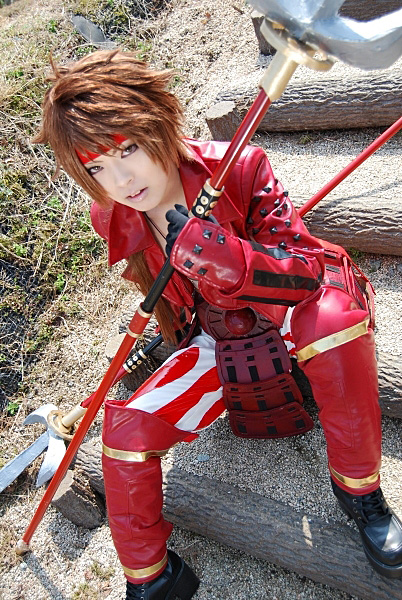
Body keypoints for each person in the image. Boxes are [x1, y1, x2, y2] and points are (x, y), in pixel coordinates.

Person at [35, 49, 402, 599]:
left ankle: (361, 494)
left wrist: (224, 258)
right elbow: (173, 304)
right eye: (96, 168)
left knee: (333, 322)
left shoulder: (240, 167)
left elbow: (305, 271)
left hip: (292, 306)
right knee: (126, 430)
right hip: (220, 333)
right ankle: (153, 579)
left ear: (159, 122)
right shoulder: (112, 214)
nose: (121, 179)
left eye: (128, 148)